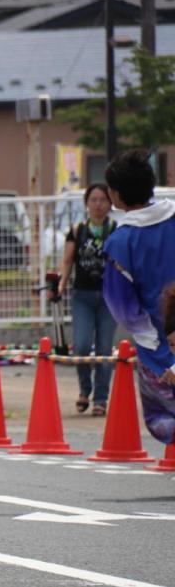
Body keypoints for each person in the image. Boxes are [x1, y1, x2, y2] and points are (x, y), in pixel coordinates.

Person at [101, 149, 175, 447]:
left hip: (159, 344)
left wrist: (156, 346)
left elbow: (123, 308)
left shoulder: (121, 242)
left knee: (165, 418)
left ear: (116, 195)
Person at [58, 183, 118, 415]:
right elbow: (67, 261)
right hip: (82, 294)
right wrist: (61, 284)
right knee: (81, 345)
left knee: (104, 349)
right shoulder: (77, 230)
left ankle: (100, 399)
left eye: (103, 200)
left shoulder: (116, 230)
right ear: (86, 203)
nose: (98, 204)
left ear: (110, 203)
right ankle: (85, 389)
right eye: (93, 200)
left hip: (109, 297)